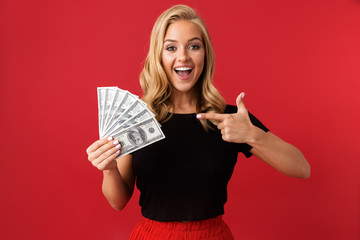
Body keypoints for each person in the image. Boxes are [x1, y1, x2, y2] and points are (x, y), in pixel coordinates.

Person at [86, 4, 310, 240]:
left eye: (194, 46)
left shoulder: (230, 119)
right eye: (171, 47)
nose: (183, 56)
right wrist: (109, 169)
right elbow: (118, 201)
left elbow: (302, 168)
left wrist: (253, 135)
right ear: (159, 56)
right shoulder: (139, 117)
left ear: (205, 54)